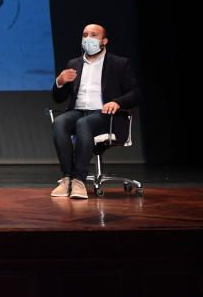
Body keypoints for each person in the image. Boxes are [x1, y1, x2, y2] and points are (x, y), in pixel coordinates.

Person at [51, 23, 140, 199]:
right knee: (60, 122)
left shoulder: (119, 63)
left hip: (106, 115)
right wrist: (59, 82)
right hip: (79, 111)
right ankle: (67, 178)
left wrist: (117, 102)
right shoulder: (74, 64)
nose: (88, 39)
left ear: (104, 41)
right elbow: (59, 98)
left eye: (93, 35)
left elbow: (135, 93)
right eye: (85, 35)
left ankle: (79, 180)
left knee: (84, 123)